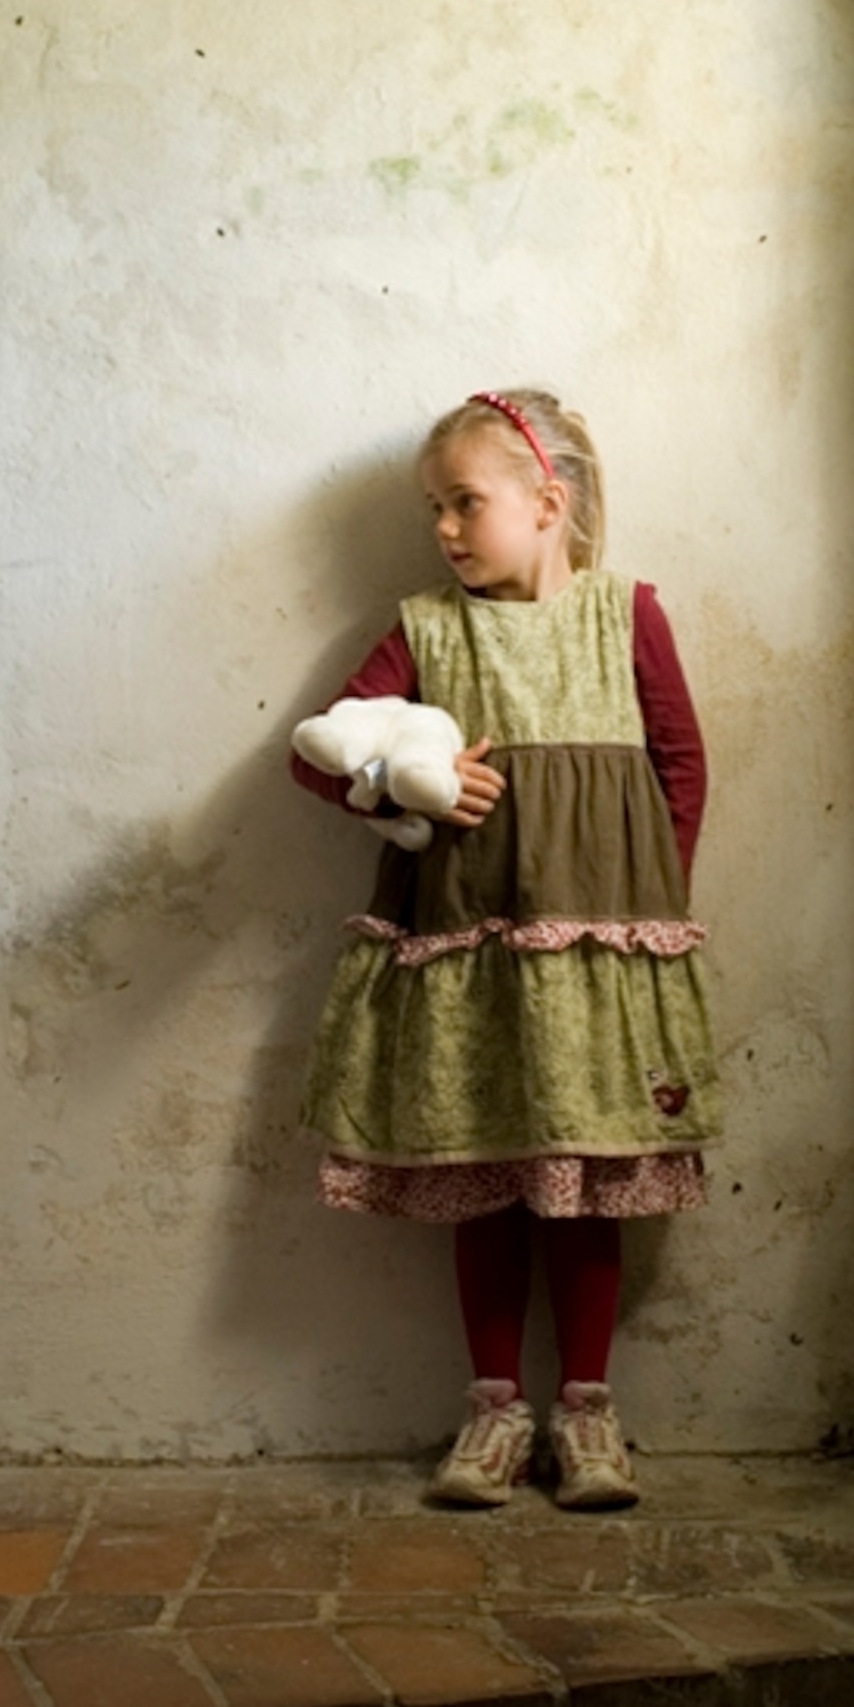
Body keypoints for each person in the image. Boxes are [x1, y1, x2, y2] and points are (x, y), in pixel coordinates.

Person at [291, 388, 716, 1509]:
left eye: (462, 503)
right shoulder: (428, 627)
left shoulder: (629, 614)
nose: (441, 527)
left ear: (548, 501)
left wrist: (644, 911)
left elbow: (679, 760)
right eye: (433, 506)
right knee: (478, 1180)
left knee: (585, 1183)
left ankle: (586, 1411)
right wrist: (389, 779)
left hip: (599, 958)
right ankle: (492, 1410)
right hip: (466, 951)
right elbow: (318, 753)